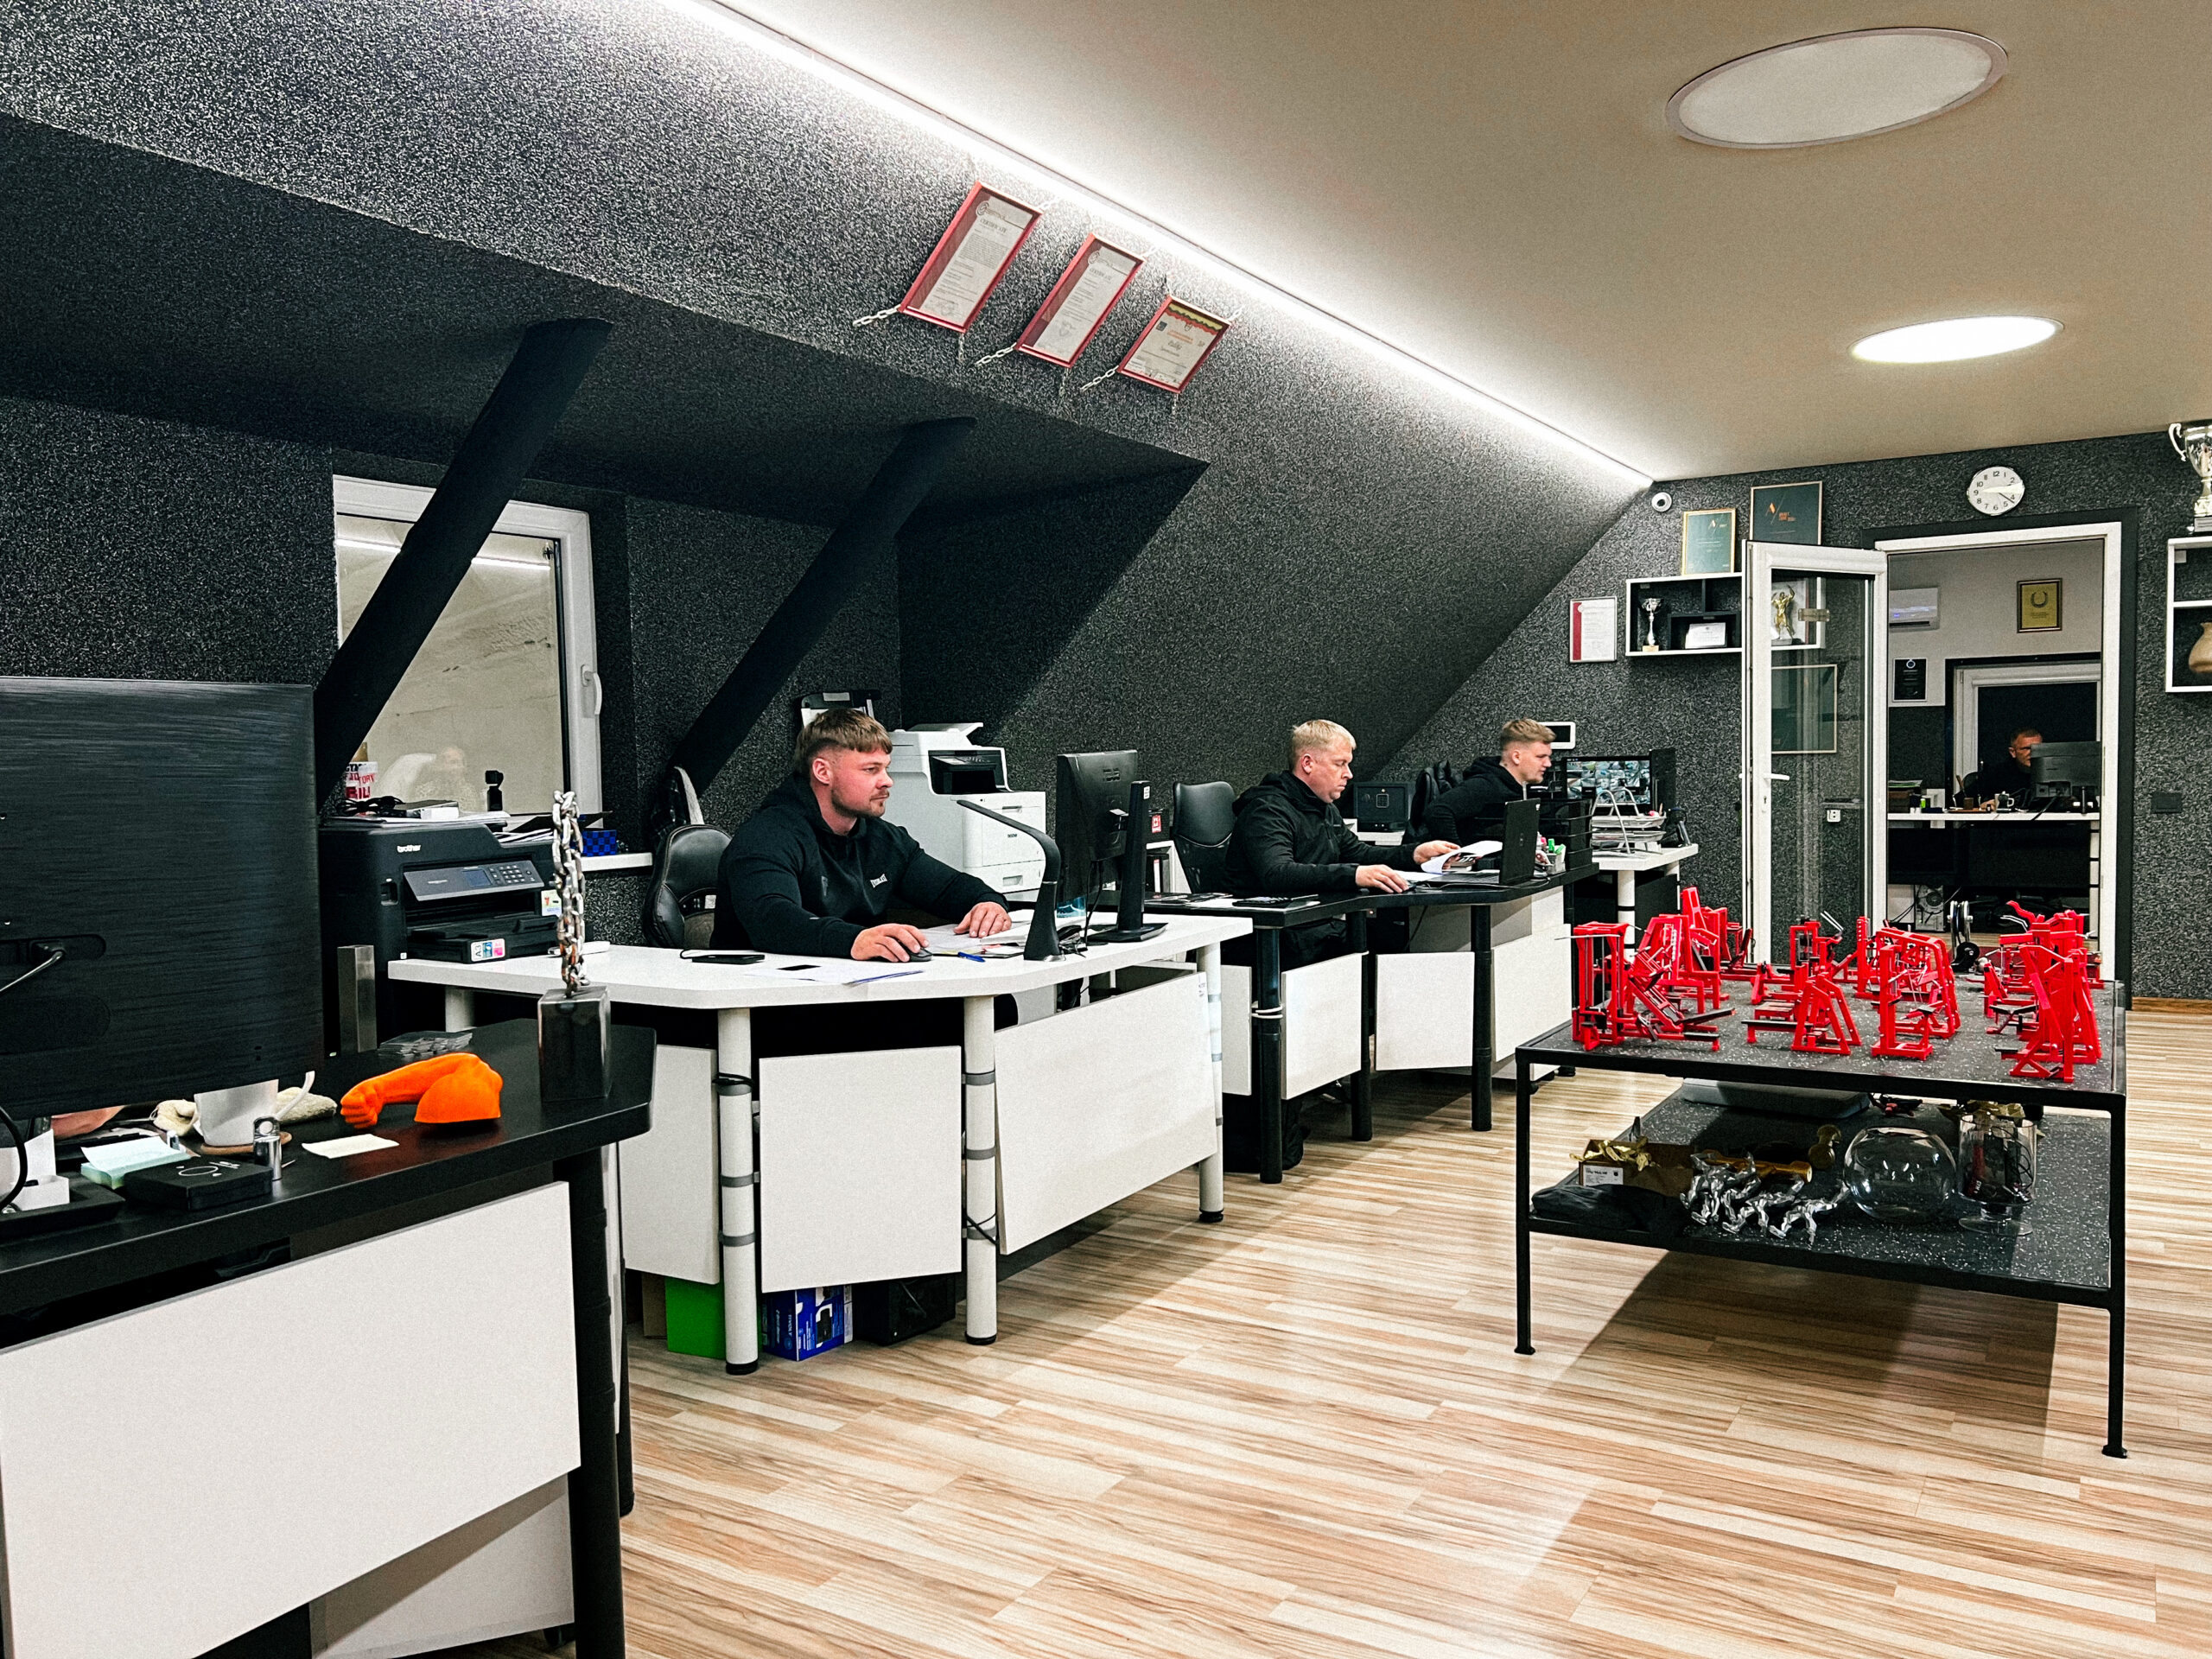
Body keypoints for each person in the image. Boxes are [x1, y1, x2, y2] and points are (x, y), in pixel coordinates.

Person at [716, 708, 1012, 960]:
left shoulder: (882, 839)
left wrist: (986, 903)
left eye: (886, 769)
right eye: (871, 770)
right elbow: (771, 919)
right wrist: (853, 940)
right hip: (771, 994)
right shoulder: (767, 836)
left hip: (855, 984)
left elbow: (949, 888)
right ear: (823, 772)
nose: (887, 781)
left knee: (995, 1003)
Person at [1224, 719, 1455, 968]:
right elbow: (1278, 873)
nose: (1349, 774)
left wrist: (1414, 854)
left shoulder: (1324, 807)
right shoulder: (1267, 810)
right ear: (1308, 763)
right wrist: (1353, 874)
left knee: (1394, 940)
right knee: (1385, 950)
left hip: (1311, 925)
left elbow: (1358, 853)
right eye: (1339, 764)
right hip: (1274, 936)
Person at [1420, 717, 1554, 844]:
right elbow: (1437, 811)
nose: (1548, 764)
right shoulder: (1485, 786)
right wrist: (1457, 854)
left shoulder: (1514, 787)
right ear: (1516, 757)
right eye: (1540, 757)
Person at [1961, 727, 2041, 805]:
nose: (2033, 753)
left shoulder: (2048, 774)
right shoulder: (1997, 774)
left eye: (2038, 748)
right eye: (2027, 748)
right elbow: (1960, 801)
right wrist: (1982, 807)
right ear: (2013, 752)